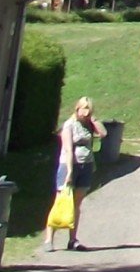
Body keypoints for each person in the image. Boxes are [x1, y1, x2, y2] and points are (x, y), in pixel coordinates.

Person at [42, 96, 105, 252]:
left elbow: (103, 133)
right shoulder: (69, 125)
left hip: (86, 165)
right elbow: (68, 149)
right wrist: (69, 171)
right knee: (61, 201)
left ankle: (72, 240)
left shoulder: (88, 124)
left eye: (88, 110)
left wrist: (94, 120)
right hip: (69, 165)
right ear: (76, 109)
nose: (84, 113)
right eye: (82, 109)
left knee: (76, 205)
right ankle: (49, 239)